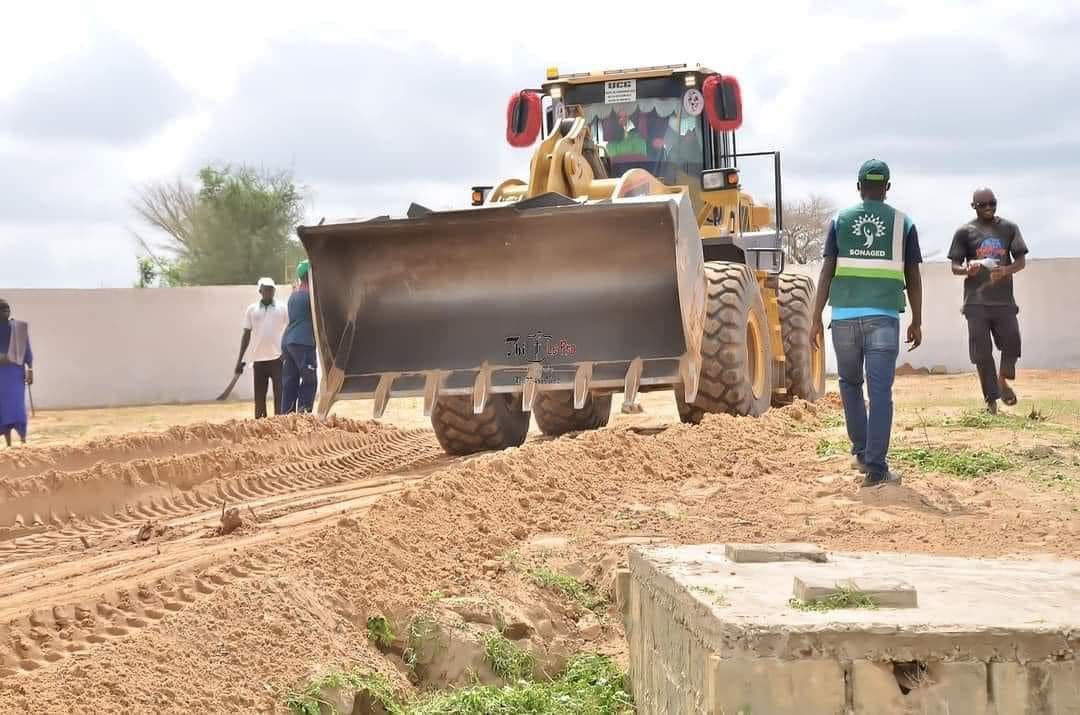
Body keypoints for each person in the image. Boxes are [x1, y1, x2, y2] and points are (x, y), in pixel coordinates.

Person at [809, 160, 924, 487]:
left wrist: (815, 317)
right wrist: (917, 317)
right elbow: (913, 276)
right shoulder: (904, 223)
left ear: (859, 186)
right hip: (884, 319)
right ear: (887, 188)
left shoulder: (839, 221)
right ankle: (876, 468)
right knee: (880, 392)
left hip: (844, 318)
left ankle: (861, 452)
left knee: (849, 384)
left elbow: (826, 271)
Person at [948, 188, 1028, 414]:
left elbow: (1021, 261)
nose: (988, 208)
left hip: (1004, 300)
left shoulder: (1009, 228)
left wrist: (1006, 270)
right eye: (982, 204)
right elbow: (954, 266)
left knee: (1012, 340)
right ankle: (991, 400)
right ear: (973, 206)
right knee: (982, 352)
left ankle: (1002, 380)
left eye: (992, 203)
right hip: (975, 302)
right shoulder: (964, 231)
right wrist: (967, 270)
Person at [235, 278, 288, 419]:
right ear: (260, 291)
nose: (269, 291)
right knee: (259, 399)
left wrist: (286, 352)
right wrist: (239, 360)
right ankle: (260, 428)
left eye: (272, 289)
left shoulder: (282, 308)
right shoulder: (252, 309)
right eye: (266, 289)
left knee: (280, 396)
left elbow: (290, 328)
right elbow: (246, 334)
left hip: (278, 359)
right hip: (258, 360)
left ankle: (280, 426)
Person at [281, 260, 318, 413]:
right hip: (303, 343)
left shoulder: (294, 296)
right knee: (310, 380)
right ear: (310, 275)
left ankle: (285, 417)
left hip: (288, 342)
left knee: (291, 381)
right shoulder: (311, 296)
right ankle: (303, 416)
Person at [0, 299, 33, 447]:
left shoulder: (17, 329)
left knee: (17, 407)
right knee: (4, 409)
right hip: (1, 374)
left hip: (15, 374)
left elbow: (27, 350)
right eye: (2, 309)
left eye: (7, 308)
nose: (6, 311)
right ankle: (8, 444)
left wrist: (30, 369)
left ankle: (23, 440)